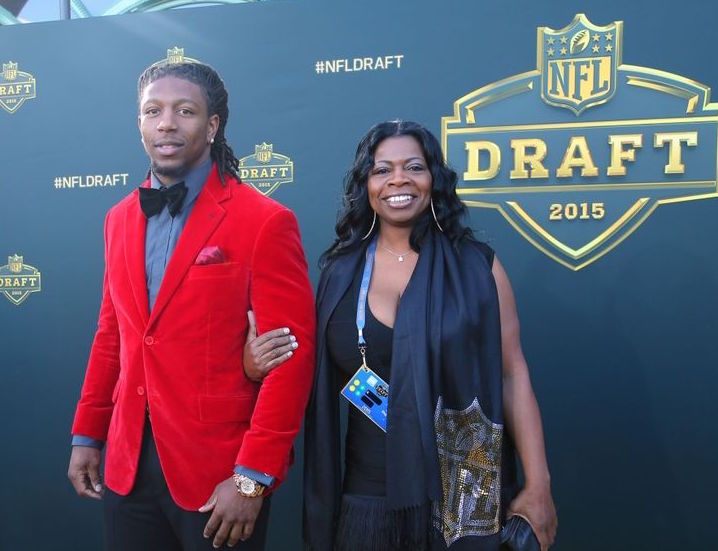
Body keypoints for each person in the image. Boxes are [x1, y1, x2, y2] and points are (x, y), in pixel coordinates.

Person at [67, 60, 315, 550]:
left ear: (213, 124)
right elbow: (111, 335)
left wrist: (252, 477)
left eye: (185, 111)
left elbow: (291, 359)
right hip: (126, 467)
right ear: (139, 122)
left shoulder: (264, 220)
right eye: (153, 111)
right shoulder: (118, 219)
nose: (167, 123)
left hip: (217, 475)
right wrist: (87, 435)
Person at [299, 121, 557, 551]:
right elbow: (308, 367)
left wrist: (539, 483)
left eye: (413, 167)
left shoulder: (478, 268)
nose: (398, 179)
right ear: (366, 184)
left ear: (433, 179)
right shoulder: (339, 275)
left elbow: (513, 374)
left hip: (462, 498)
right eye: (383, 170)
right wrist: (255, 360)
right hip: (365, 501)